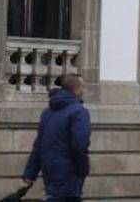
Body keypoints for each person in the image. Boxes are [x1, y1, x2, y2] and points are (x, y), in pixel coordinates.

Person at [20, 73, 92, 202]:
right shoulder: (79, 111)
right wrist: (83, 169)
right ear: (77, 89)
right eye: (84, 87)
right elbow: (80, 144)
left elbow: (39, 145)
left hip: (50, 171)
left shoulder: (48, 112)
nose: (84, 91)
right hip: (70, 171)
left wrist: (30, 172)